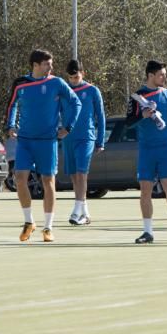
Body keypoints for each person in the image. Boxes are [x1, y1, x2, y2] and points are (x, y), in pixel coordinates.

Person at [5, 49, 81, 243]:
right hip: (25, 141)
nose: (51, 67)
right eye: (47, 64)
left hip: (48, 142)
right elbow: (12, 105)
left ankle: (48, 227)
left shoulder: (57, 83)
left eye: (51, 64)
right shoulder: (20, 83)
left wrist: (68, 127)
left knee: (48, 181)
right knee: (19, 178)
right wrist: (11, 125)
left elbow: (76, 103)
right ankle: (29, 222)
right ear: (36, 65)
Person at [127, 60, 167, 244]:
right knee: (145, 190)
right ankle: (148, 232)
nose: (164, 77)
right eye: (161, 74)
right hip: (146, 150)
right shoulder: (137, 97)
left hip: (165, 150)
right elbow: (129, 123)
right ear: (150, 76)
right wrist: (142, 115)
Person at [63, 60, 105, 226]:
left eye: (77, 76)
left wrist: (100, 141)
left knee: (82, 173)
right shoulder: (64, 91)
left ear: (83, 73)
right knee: (74, 176)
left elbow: (100, 117)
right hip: (69, 138)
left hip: (86, 137)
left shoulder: (92, 90)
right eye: (71, 77)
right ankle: (85, 213)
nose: (74, 80)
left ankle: (76, 211)